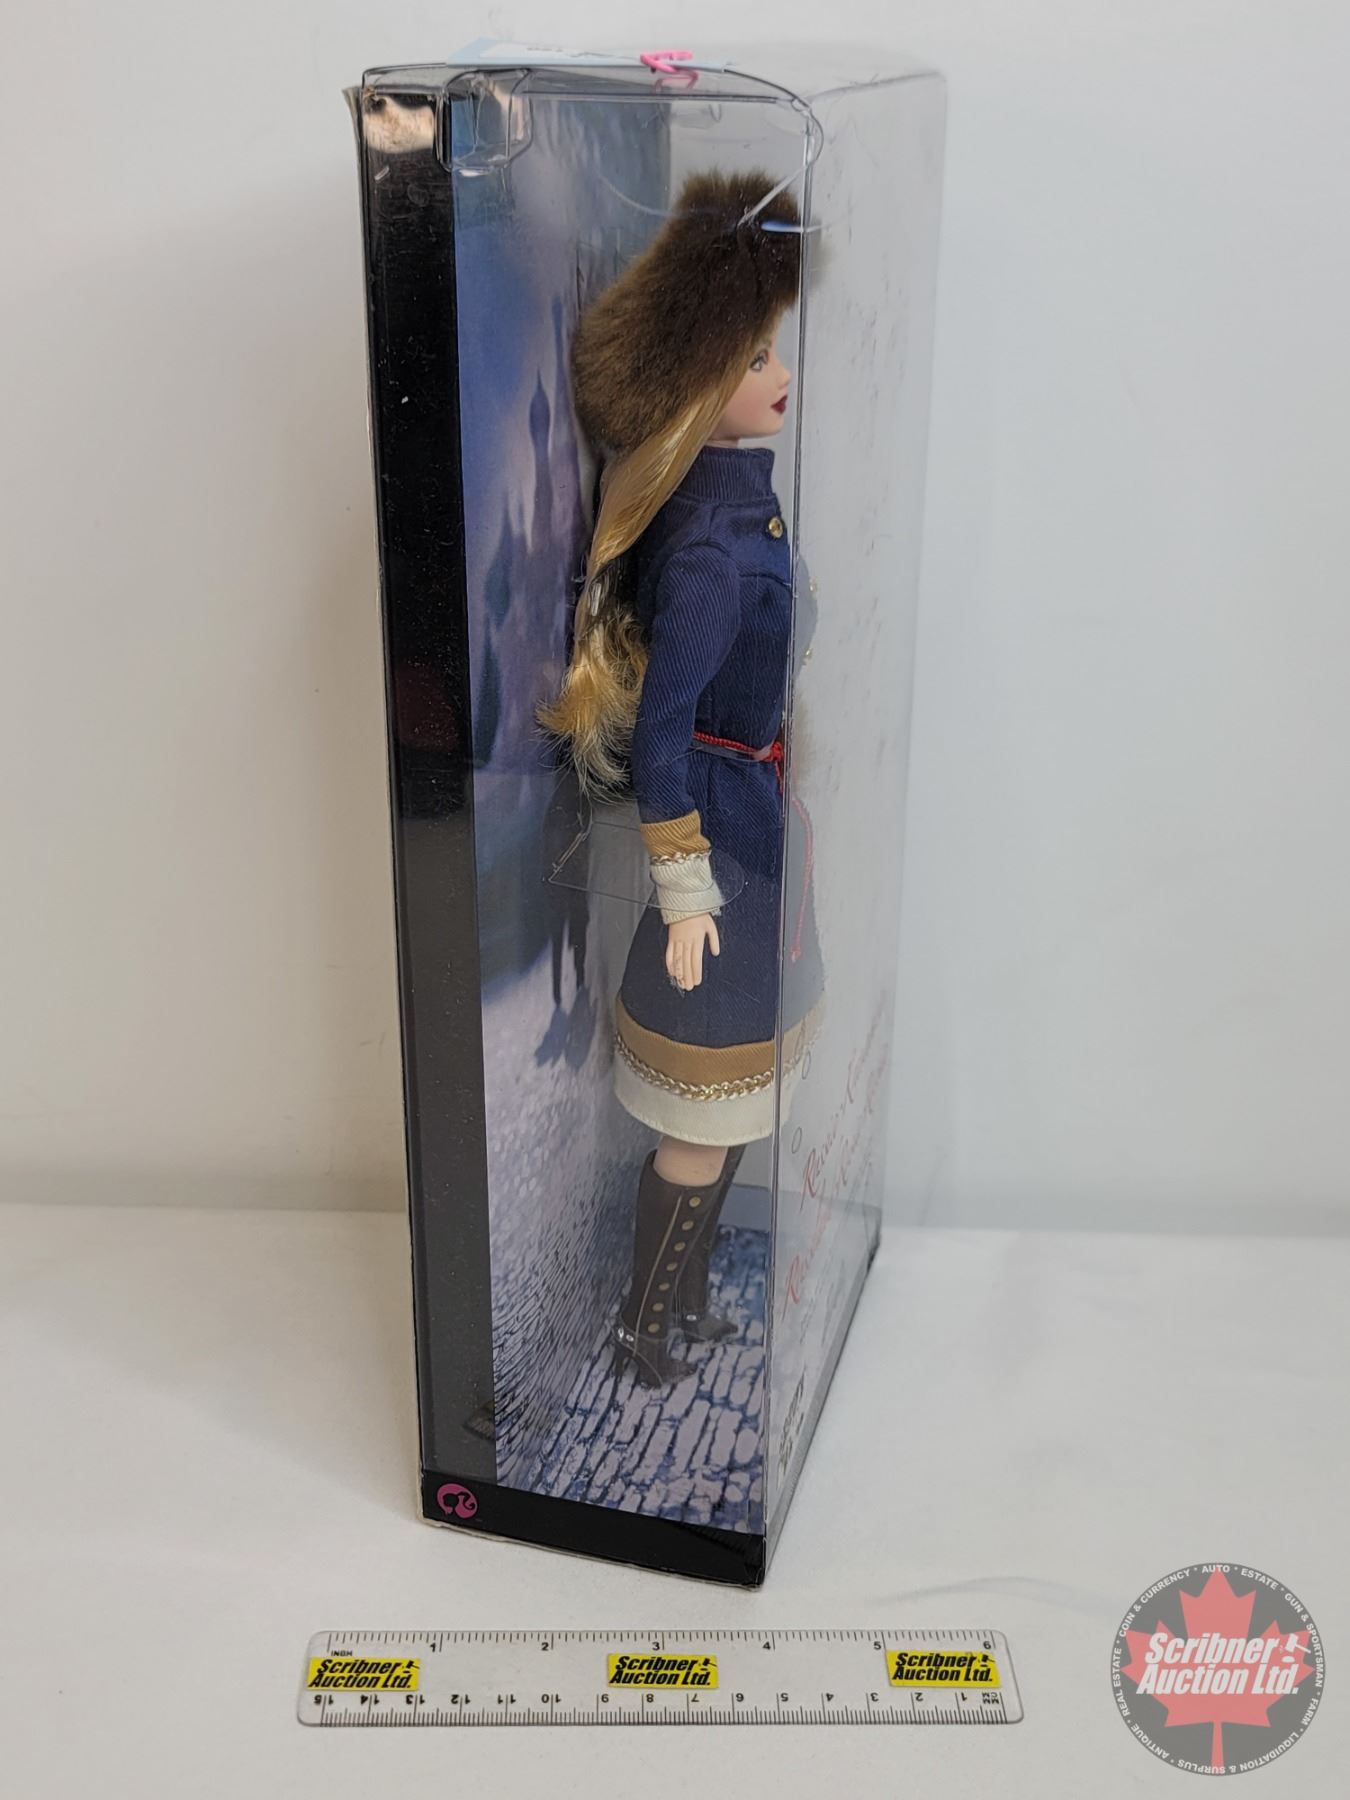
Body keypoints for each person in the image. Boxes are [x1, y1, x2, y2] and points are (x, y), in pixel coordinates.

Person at [539, 169, 824, 1386]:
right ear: (704, 387)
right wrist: (687, 894)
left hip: (753, 837)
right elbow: (662, 740)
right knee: (701, 1126)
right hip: (717, 859)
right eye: (756, 356)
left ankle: (685, 1305)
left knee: (737, 1111)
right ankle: (644, 1326)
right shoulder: (712, 552)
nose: (781, 373)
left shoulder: (739, 519)